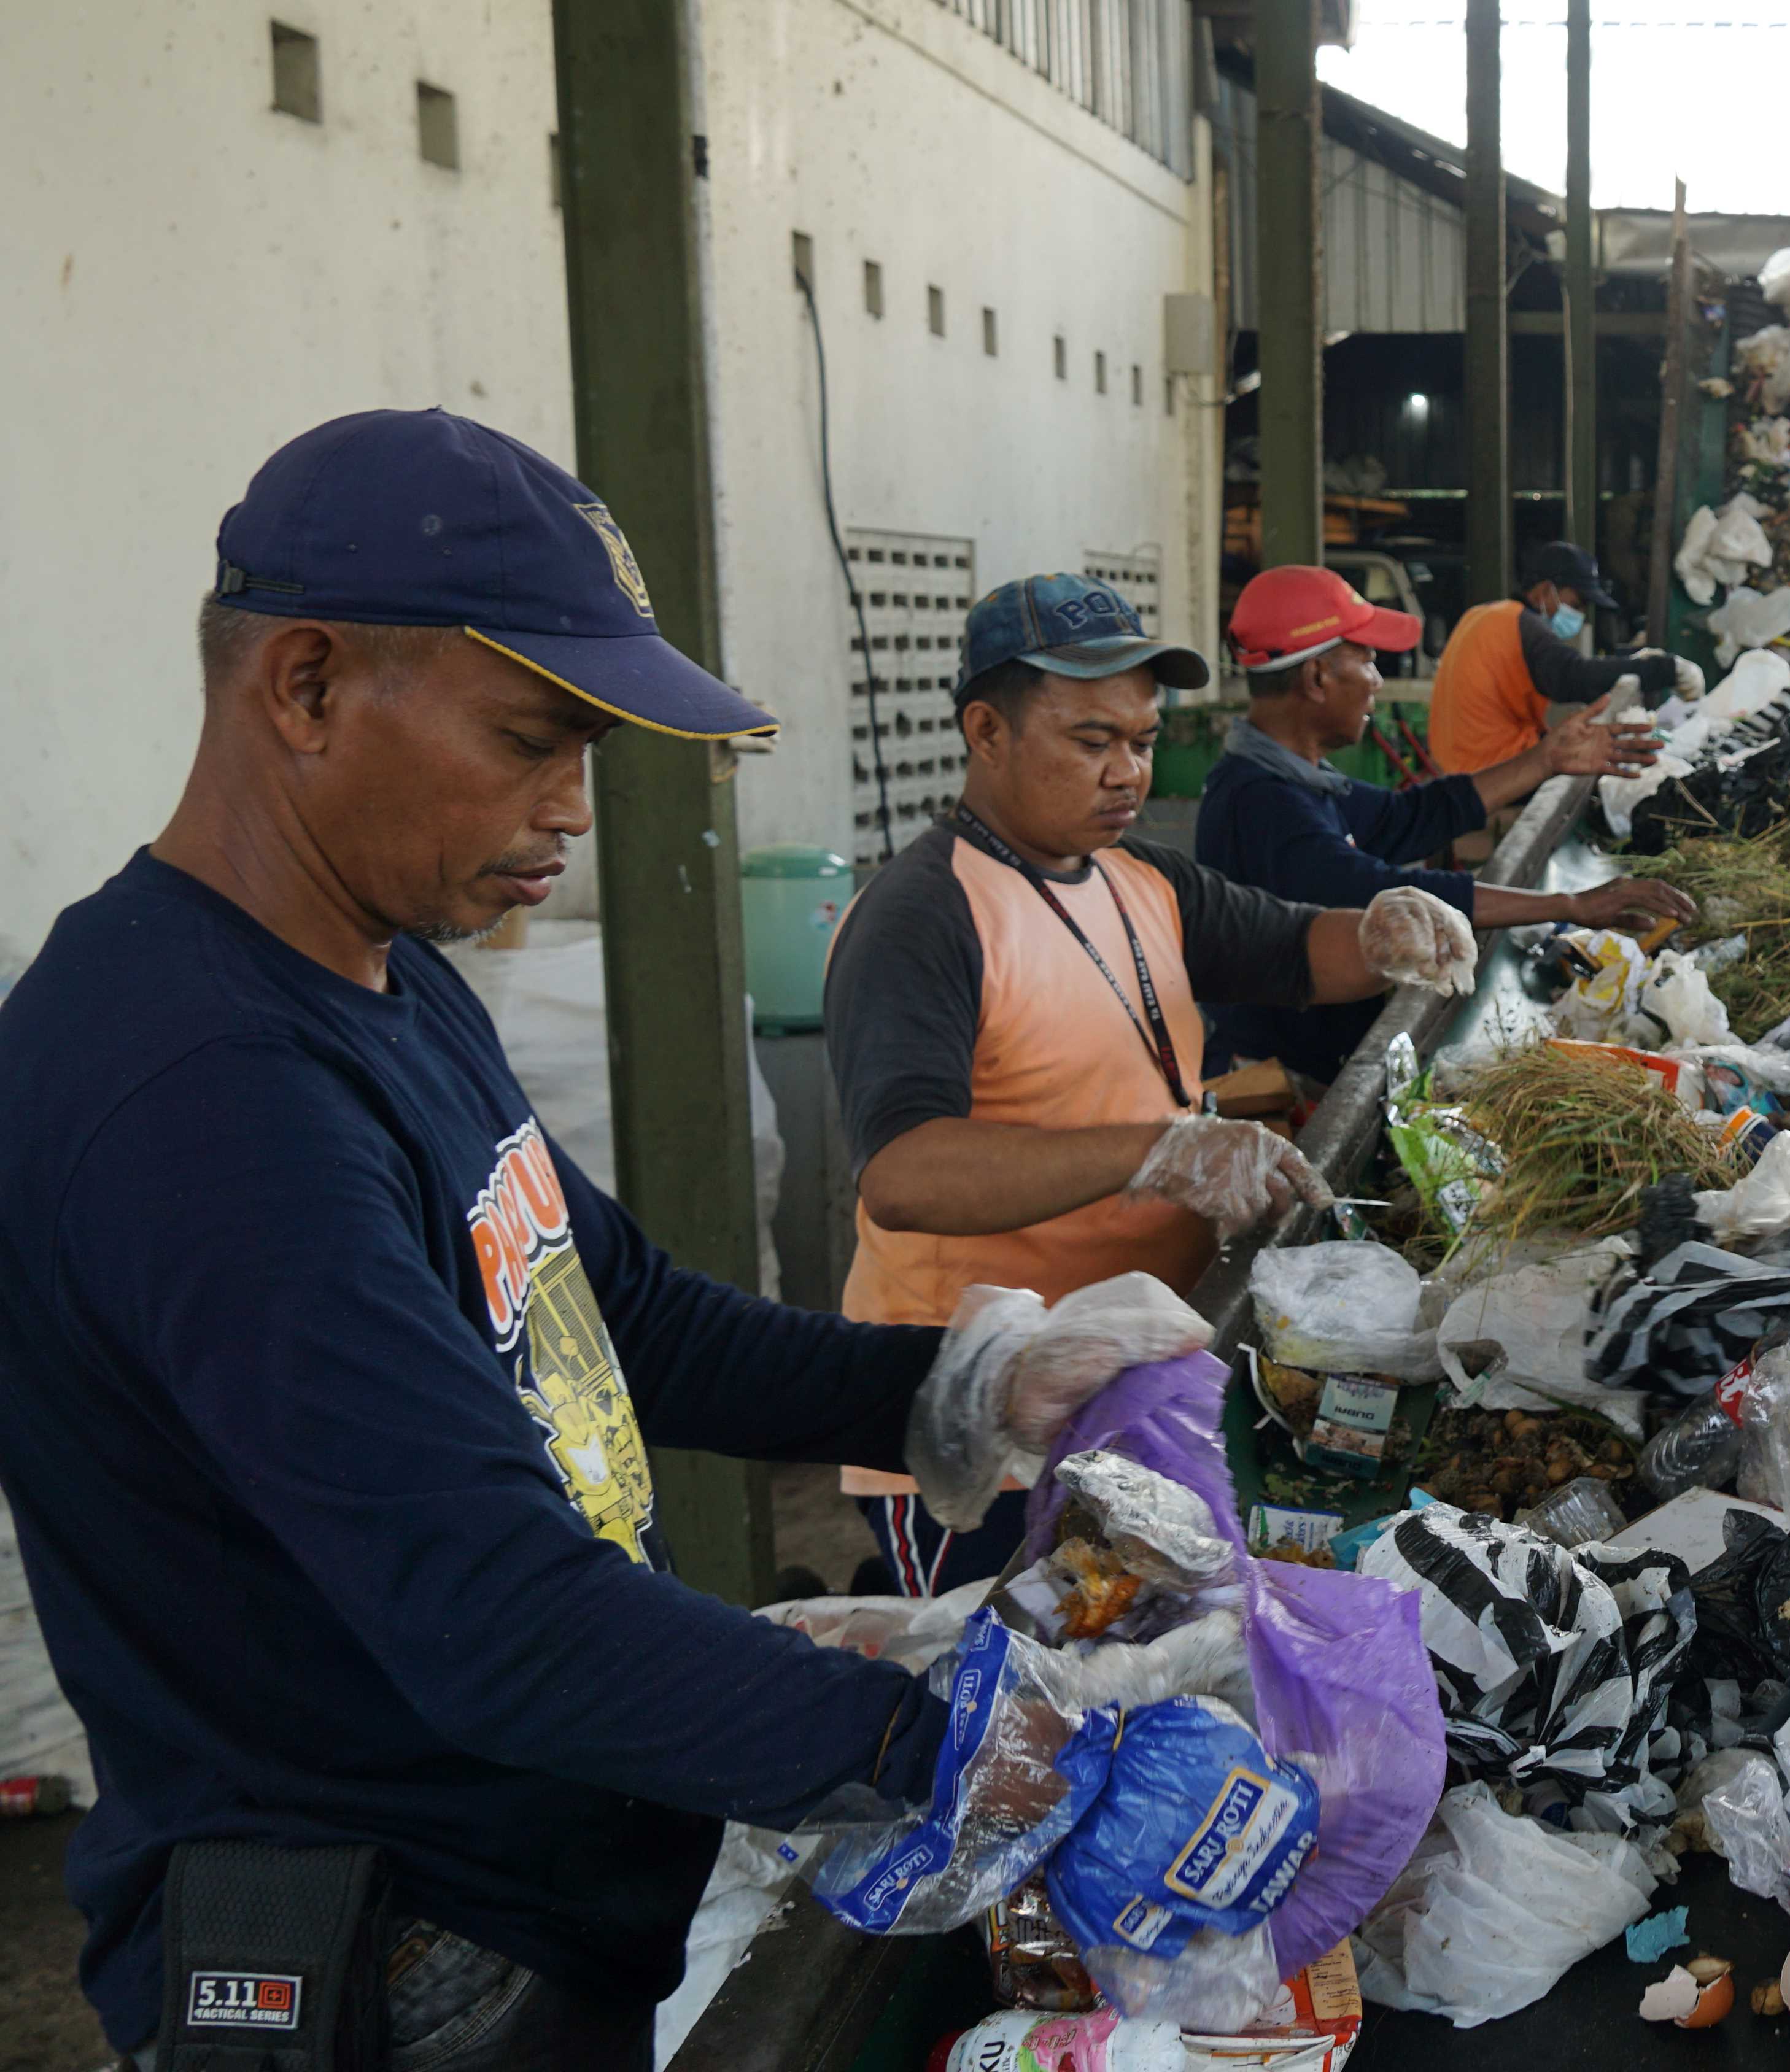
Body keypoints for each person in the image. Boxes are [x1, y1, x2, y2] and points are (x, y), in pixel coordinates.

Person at [0, 411, 1206, 2066]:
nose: (573, 808)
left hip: (529, 1887)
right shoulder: (199, 1100)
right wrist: (939, 1738)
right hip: (394, 1957)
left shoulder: (384, 967)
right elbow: (493, 1616)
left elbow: (613, 1310)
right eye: (526, 738)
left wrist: (970, 1388)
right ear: (304, 686)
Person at [825, 570, 1469, 1593]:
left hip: (1136, 1378)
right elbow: (904, 1172)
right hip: (983, 1428)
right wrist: (1160, 1151)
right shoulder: (925, 914)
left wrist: (1388, 928)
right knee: (1001, 1698)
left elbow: (1296, 949)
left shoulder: (1140, 878)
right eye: (1091, 741)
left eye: (1139, 739)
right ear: (986, 731)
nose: (1127, 771)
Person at [1196, 563, 1697, 1079]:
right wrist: (1569, 905)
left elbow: (1408, 817)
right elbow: (1374, 889)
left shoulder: (1295, 778)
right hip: (1280, 1084)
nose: (1378, 681)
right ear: (1318, 678)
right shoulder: (1261, 803)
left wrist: (1546, 760)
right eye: (1367, 660)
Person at [1424, 540, 1692, 776]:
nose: (1580, 615)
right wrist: (1663, 669)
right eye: (1575, 605)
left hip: (1456, 764)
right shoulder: (1521, 624)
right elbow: (1574, 677)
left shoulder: (1482, 615)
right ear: (1544, 591)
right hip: (1491, 769)